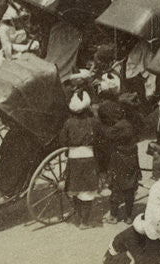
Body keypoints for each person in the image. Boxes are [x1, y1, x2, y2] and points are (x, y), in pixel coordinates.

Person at [59, 91, 100, 228]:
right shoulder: (92, 122)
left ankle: (79, 214)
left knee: (75, 187)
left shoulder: (68, 123)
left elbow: (63, 140)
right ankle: (84, 221)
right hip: (88, 157)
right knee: (88, 189)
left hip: (74, 158)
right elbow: (99, 139)